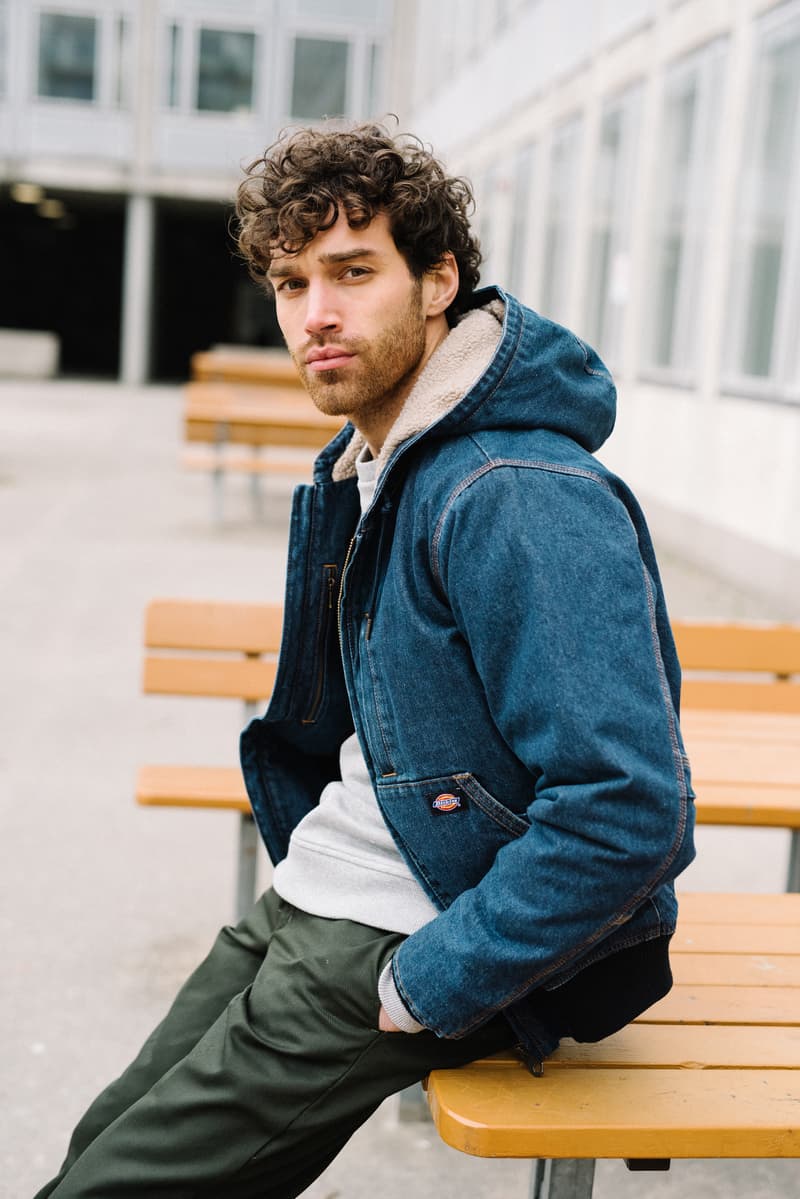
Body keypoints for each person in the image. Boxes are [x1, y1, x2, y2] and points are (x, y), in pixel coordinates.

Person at [35, 121, 696, 1199]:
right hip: (323, 884)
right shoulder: (379, 460)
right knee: (99, 1146)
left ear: (438, 281)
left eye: (352, 272)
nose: (316, 315)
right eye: (291, 283)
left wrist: (428, 982)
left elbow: (627, 808)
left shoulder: (513, 492)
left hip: (406, 931)